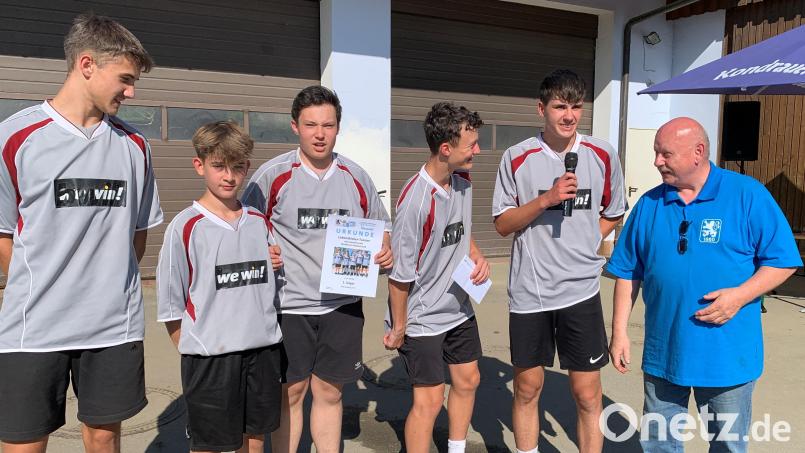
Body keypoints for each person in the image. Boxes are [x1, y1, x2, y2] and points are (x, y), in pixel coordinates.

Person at [0, 13, 162, 453]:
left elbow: (138, 235)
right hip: (34, 327)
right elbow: (3, 236)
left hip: (112, 328)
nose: (131, 92)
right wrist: (45, 289)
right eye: (125, 79)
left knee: (104, 438)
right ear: (86, 65)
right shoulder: (16, 137)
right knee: (23, 442)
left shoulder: (134, 147)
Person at [607, 117, 801, 452]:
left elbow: (783, 261)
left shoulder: (747, 195)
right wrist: (619, 331)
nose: (657, 161)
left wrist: (740, 296)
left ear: (698, 152)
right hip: (664, 353)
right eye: (656, 153)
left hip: (727, 357)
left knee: (726, 444)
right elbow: (627, 271)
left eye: (665, 154)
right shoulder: (650, 205)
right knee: (659, 443)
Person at [241, 85, 393, 453]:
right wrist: (263, 253)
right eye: (311, 125)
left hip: (341, 305)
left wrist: (385, 252)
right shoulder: (272, 175)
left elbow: (381, 226)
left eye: (328, 125)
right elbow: (244, 226)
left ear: (338, 128)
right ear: (295, 126)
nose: (320, 134)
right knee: (291, 393)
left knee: (329, 391)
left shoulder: (356, 177)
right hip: (289, 306)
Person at [492, 69, 626, 453]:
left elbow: (614, 211)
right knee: (528, 388)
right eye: (559, 106)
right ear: (541, 109)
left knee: (587, 393)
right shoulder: (517, 157)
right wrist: (545, 200)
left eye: (576, 106)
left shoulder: (601, 154)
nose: (568, 115)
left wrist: (587, 241)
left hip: (580, 292)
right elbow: (502, 224)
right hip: (530, 292)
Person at [156, 122, 282, 453]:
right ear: (200, 165)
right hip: (211, 358)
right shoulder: (185, 227)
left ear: (247, 168)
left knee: (254, 437)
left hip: (262, 350)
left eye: (237, 167)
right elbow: (171, 304)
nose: (229, 176)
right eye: (219, 166)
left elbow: (271, 282)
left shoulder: (259, 221)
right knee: (209, 444)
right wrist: (196, 344)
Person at [384, 101, 490, 453]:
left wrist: (476, 255)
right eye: (471, 145)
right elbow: (399, 278)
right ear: (446, 149)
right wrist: (399, 328)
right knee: (429, 402)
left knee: (468, 379)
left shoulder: (463, 179)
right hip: (422, 317)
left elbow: (460, 229)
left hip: (458, 306)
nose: (477, 150)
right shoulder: (415, 202)